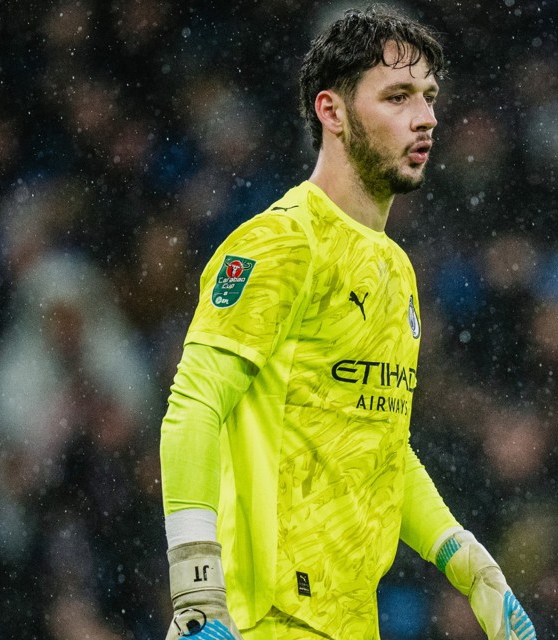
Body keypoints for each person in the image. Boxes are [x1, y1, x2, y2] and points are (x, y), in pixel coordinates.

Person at [158, 6, 537, 639]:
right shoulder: (279, 244)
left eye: (429, 96)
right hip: (256, 620)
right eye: (397, 96)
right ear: (331, 112)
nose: (426, 117)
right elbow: (192, 410)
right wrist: (196, 592)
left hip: (351, 623)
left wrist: (464, 557)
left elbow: (377, 442)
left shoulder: (396, 271)